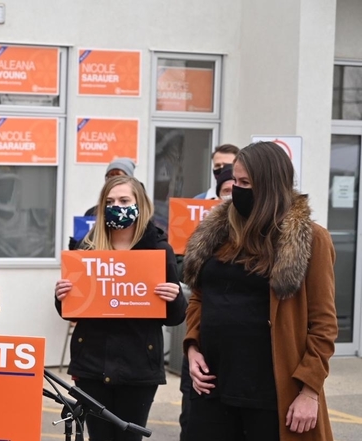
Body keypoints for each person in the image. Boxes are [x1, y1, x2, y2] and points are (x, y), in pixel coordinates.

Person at [181, 141, 337, 441]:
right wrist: (192, 347)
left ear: (269, 186)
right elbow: (200, 296)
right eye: (235, 181)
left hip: (272, 394)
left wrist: (310, 391)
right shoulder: (219, 232)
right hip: (212, 388)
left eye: (245, 183)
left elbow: (324, 324)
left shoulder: (311, 240)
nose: (236, 189)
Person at [54, 175, 187, 441]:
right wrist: (61, 296)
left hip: (138, 367)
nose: (118, 206)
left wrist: (174, 297)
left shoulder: (159, 249)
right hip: (92, 364)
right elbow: (71, 311)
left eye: (125, 200)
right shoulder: (88, 248)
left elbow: (174, 317)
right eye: (111, 201)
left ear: (140, 204)